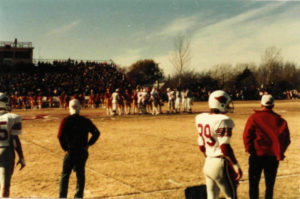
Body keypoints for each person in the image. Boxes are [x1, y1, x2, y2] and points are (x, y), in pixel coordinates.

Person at [195, 90, 242, 199]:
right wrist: (235, 165)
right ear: (220, 103)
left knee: (211, 197)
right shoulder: (223, 120)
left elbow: (201, 146)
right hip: (219, 163)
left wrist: (209, 157)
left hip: (208, 162)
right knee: (232, 197)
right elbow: (225, 147)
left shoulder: (201, 118)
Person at [243, 94, 290, 199]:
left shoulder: (254, 118)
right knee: (270, 186)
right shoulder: (280, 121)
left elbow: (247, 135)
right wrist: (279, 151)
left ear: (261, 104)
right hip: (272, 157)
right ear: (273, 105)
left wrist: (249, 149)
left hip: (256, 155)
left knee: (254, 185)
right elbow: (286, 140)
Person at [57, 99, 100, 198]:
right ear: (80, 108)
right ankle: (78, 196)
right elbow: (96, 133)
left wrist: (65, 148)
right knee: (80, 174)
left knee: (65, 175)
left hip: (70, 151)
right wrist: (88, 144)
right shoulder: (85, 121)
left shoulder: (65, 120)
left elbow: (60, 136)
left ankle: (62, 196)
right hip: (81, 151)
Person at [0, 92, 25, 197]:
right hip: (6, 151)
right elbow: (15, 140)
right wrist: (21, 156)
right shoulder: (13, 117)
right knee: (5, 185)